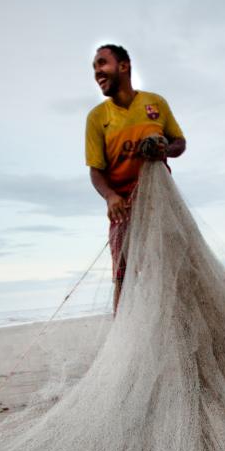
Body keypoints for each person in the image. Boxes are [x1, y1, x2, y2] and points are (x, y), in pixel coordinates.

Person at [85, 44, 186, 313]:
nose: (97, 72)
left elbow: (180, 142)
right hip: (124, 210)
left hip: (160, 204)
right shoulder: (97, 118)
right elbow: (96, 170)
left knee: (170, 269)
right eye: (94, 67)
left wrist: (166, 146)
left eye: (102, 63)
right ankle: (126, 340)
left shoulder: (156, 103)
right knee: (123, 277)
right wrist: (110, 196)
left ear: (123, 66)